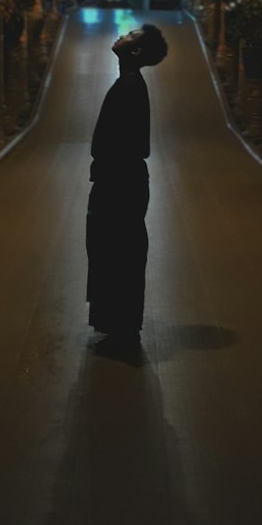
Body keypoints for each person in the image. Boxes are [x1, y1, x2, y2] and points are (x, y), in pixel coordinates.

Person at [86, 22, 169, 351]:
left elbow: (133, 146)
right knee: (115, 250)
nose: (121, 35)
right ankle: (118, 326)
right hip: (120, 179)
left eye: (130, 35)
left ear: (135, 51)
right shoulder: (129, 84)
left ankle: (123, 331)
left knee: (118, 251)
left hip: (120, 182)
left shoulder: (130, 87)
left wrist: (107, 171)